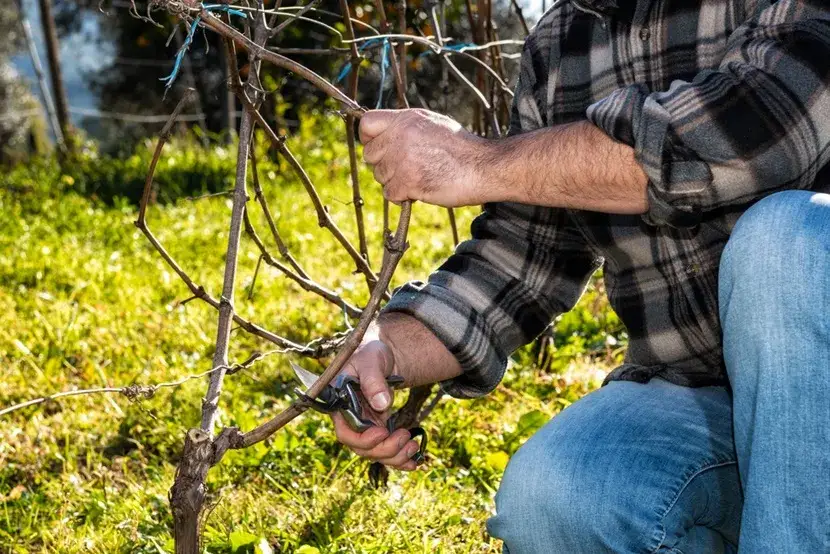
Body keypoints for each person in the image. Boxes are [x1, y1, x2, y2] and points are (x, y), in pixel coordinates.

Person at [332, 0, 830, 552]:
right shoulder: (560, 43)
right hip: (703, 401)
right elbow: (523, 256)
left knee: (789, 239)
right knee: (555, 499)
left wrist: (478, 163)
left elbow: (749, 133)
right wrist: (386, 351)